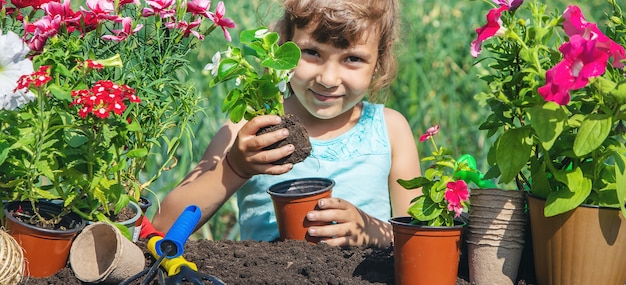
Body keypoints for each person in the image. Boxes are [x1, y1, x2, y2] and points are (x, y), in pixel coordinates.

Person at [152, 0, 422, 247]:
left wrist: (373, 233)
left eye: (352, 58)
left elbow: (420, 239)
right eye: (312, 52)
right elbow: (163, 226)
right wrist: (234, 167)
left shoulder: (390, 129)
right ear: (282, 47)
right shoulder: (250, 128)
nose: (328, 79)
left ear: (379, 59)